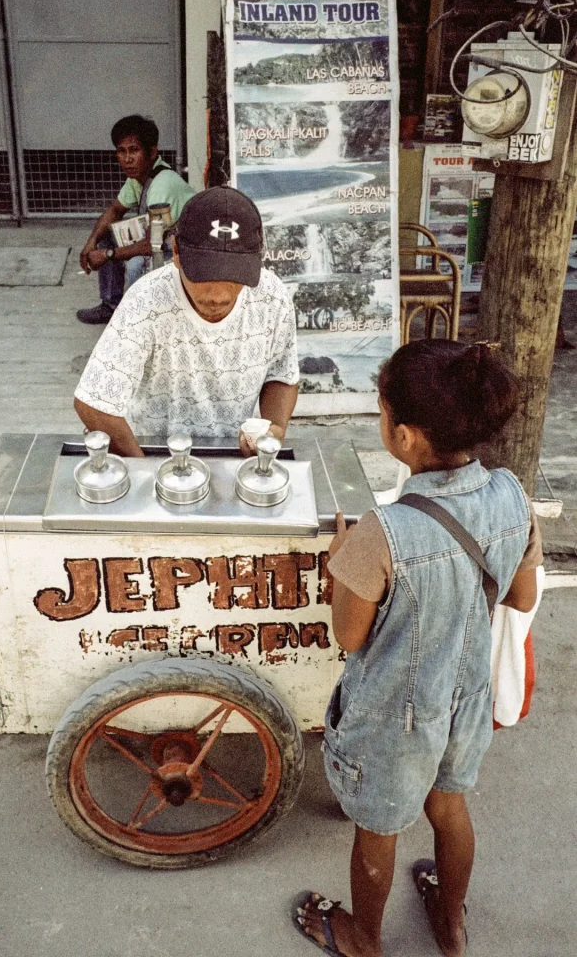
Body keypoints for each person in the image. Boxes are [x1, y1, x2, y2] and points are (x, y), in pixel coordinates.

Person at [292, 340, 543, 957]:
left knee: (378, 827)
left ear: (404, 437)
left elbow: (349, 636)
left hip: (393, 715)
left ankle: (363, 937)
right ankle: (451, 924)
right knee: (449, 805)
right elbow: (522, 591)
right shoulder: (512, 494)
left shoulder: (383, 532)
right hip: (465, 699)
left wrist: (341, 566)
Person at [74, 185, 299, 455]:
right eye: (203, 274)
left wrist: (274, 428)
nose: (217, 296)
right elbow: (94, 402)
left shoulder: (272, 297)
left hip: (233, 450)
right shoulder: (145, 301)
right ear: (177, 252)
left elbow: (281, 373)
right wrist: (144, 470)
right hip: (153, 449)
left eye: (233, 276)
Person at [76, 114, 196, 325]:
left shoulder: (162, 184)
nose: (127, 159)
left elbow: (152, 245)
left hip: (183, 249)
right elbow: (115, 210)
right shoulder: (137, 178)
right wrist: (91, 242)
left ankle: (138, 320)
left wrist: (107, 255)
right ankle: (111, 306)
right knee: (107, 235)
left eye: (134, 150)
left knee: (134, 264)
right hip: (161, 239)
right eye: (121, 151)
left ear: (151, 152)